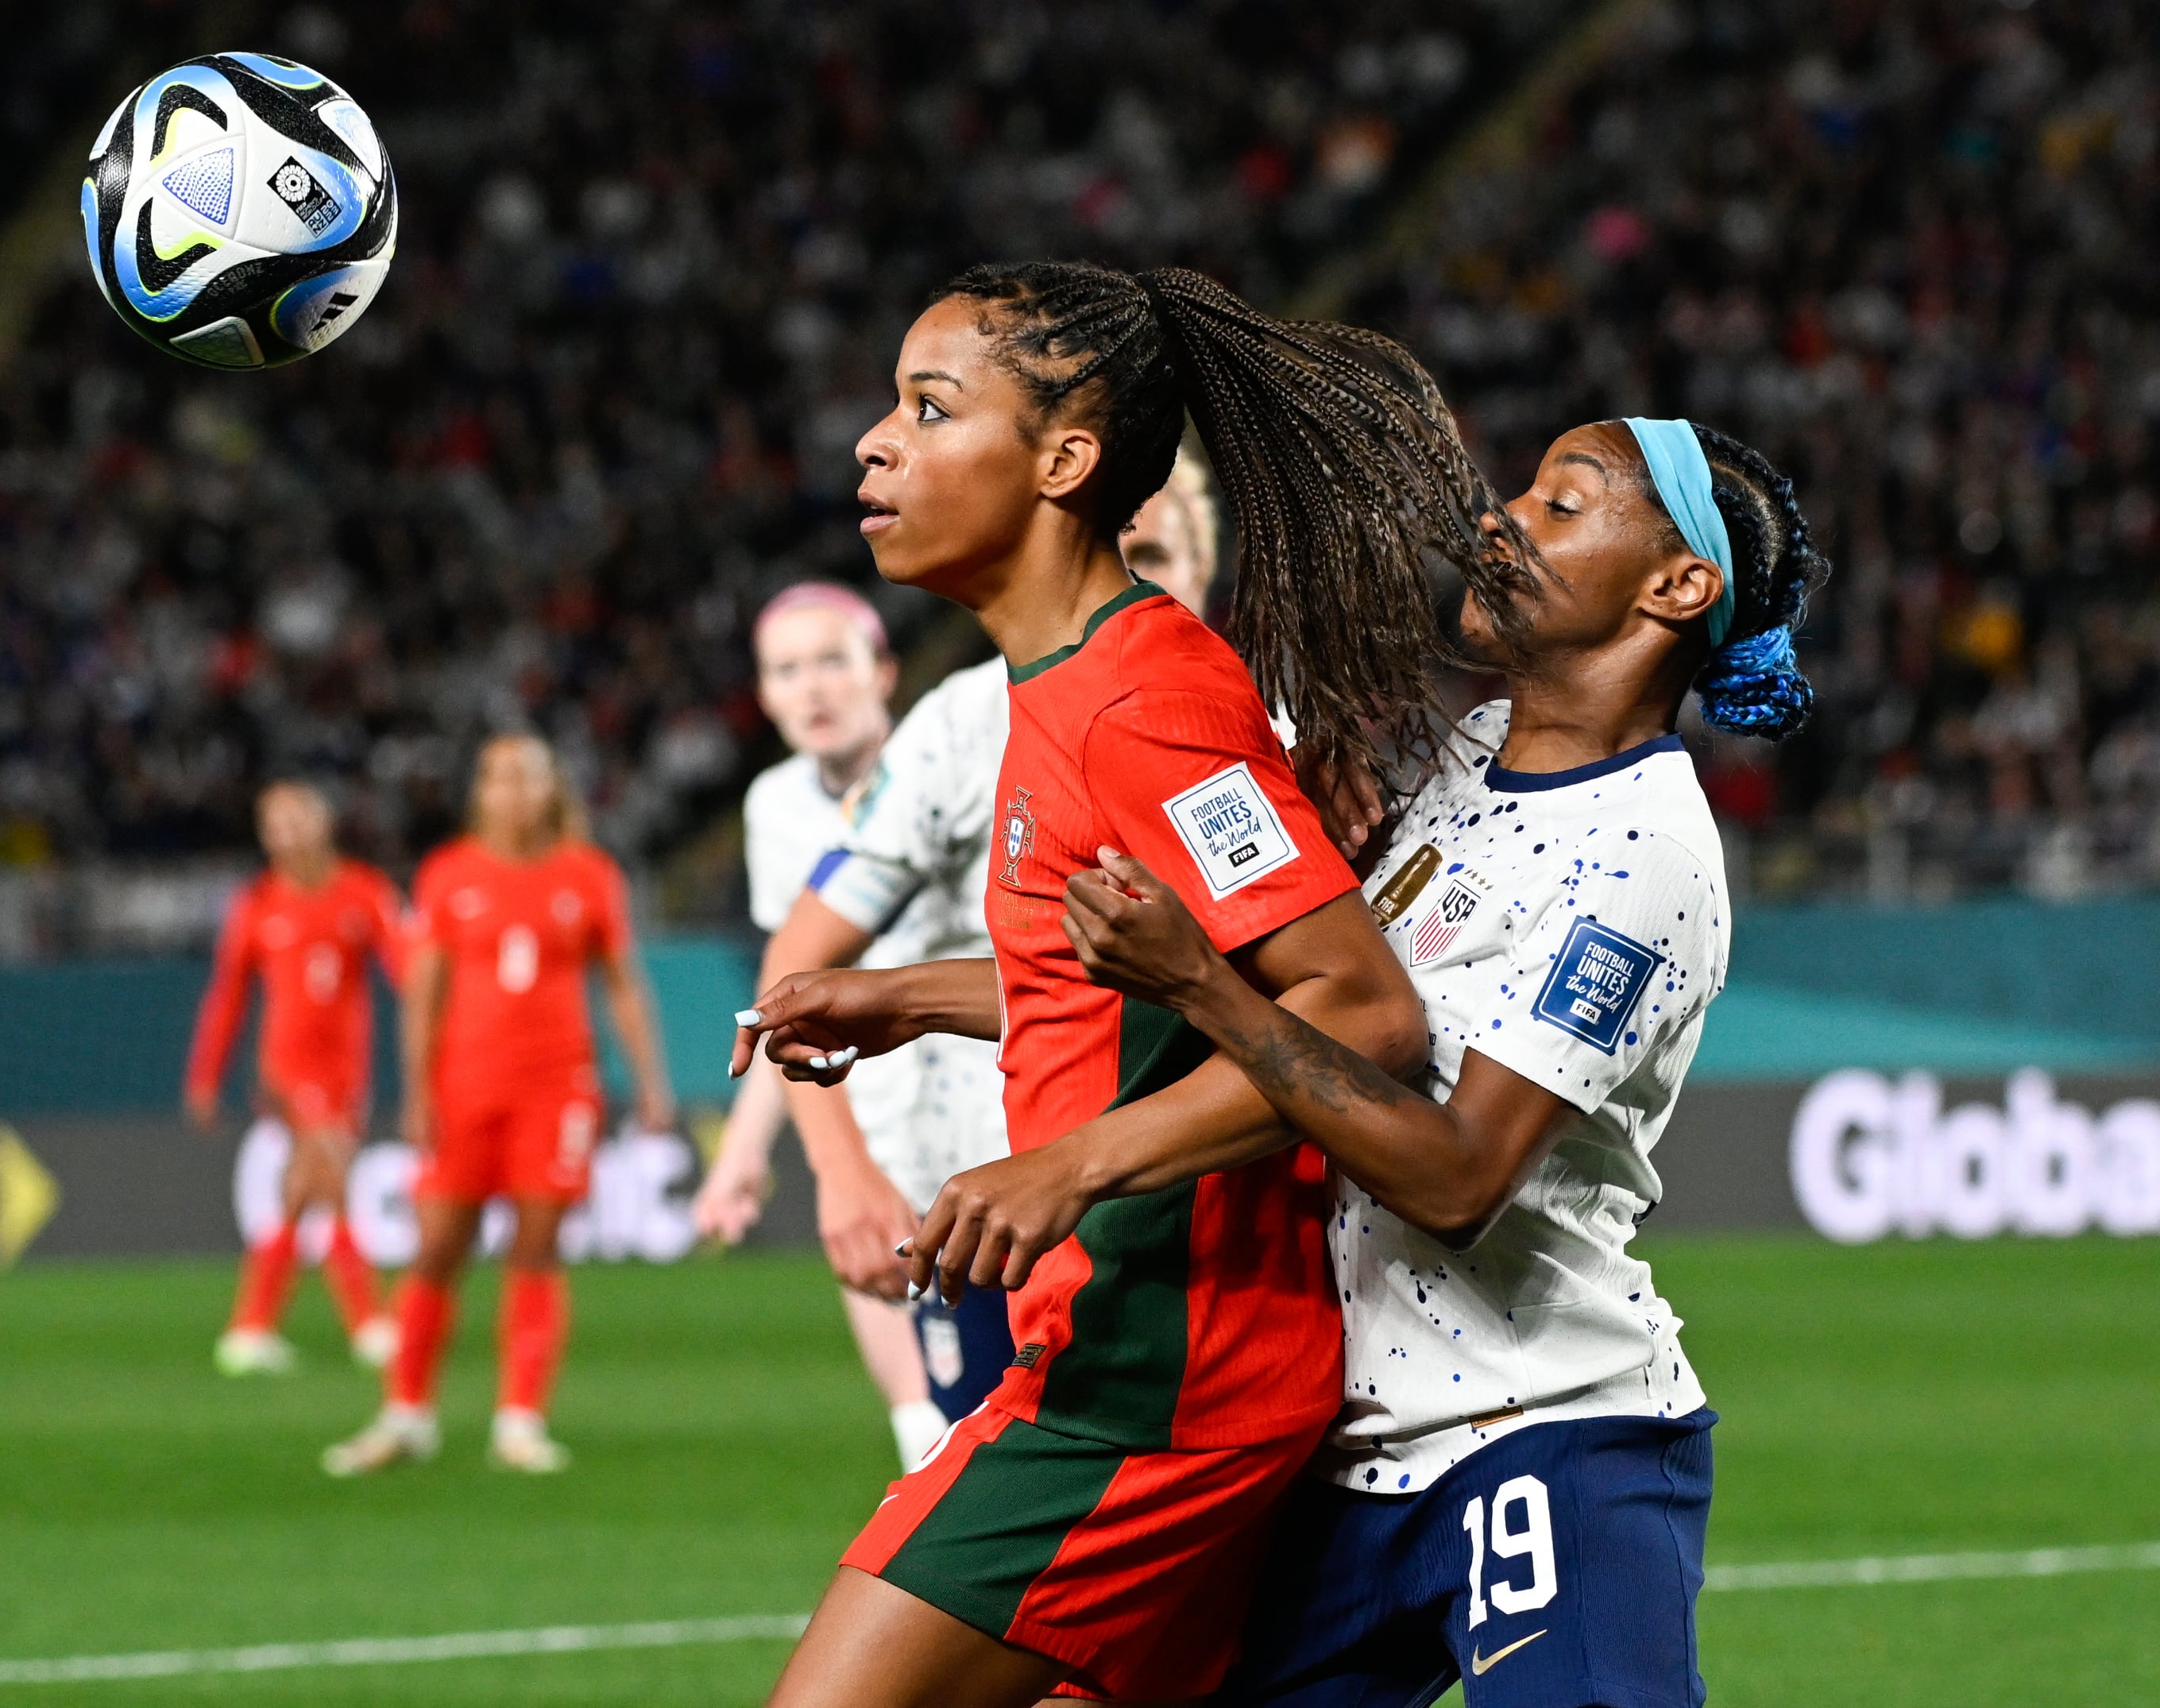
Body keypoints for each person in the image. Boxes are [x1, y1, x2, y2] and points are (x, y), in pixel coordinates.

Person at [955, 417, 1823, 1707]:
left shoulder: (1640, 853)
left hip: (1544, 1433)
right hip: (1350, 1455)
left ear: (1675, 587)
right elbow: (1297, 1006)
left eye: (1560, 504)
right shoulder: (1465, 761)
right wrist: (895, 998)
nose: (1502, 517)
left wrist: (1198, 978)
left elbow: (1458, 1175)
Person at [734, 260, 1500, 1707]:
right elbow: (1131, 998)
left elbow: (1358, 1008)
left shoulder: (1148, 705)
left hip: (1157, 1384)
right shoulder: (1060, 684)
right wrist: (904, 999)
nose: (872, 444)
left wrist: (1068, 1168)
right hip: (1121, 1356)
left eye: (927, 408)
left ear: (1062, 462)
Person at [708, 450, 1229, 1455]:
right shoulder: (959, 726)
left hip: (1205, 1204)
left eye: (1160, 555)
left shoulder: (1262, 722)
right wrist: (842, 1171)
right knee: (992, 1491)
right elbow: (803, 958)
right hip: (999, 1196)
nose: (1137, 583)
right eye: (1115, 552)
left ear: (1205, 567)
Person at [321, 732, 677, 1476]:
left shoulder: (589, 874)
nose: (512, 792)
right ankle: (405, 1414)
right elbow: (423, 996)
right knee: (437, 1246)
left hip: (558, 1089)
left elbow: (621, 983)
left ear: (551, 789)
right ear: (480, 793)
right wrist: (417, 1091)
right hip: (465, 1089)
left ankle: (519, 1420)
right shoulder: (450, 875)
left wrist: (650, 1082)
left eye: (527, 777)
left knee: (536, 1248)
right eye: (498, 779)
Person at [692, 578, 956, 1474]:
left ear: (883, 671)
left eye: (830, 662)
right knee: (927, 1433)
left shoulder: (951, 758)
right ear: (763, 695)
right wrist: (741, 1150)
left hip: (985, 1106)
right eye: (786, 670)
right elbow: (787, 997)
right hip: (864, 1120)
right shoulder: (773, 804)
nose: (811, 688)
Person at [184, 780, 404, 1376]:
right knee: (331, 1180)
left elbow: (408, 970)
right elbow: (227, 998)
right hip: (286, 1071)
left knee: (300, 1195)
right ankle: (369, 1325)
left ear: (323, 823)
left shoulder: (365, 893)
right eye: (274, 825)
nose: (286, 835)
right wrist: (205, 1076)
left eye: (296, 820)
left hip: (347, 1072)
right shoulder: (257, 905)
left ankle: (251, 1328)